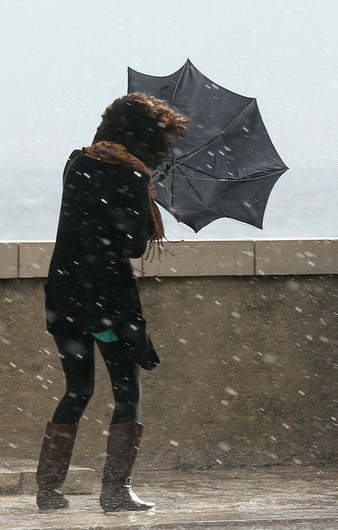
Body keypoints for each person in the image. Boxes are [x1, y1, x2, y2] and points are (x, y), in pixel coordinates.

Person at [37, 93, 189, 511]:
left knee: (78, 388)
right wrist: (144, 203)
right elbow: (133, 246)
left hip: (65, 293)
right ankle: (116, 490)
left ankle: (48, 489)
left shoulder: (77, 162)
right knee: (126, 390)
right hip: (105, 302)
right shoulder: (132, 179)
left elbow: (83, 223)